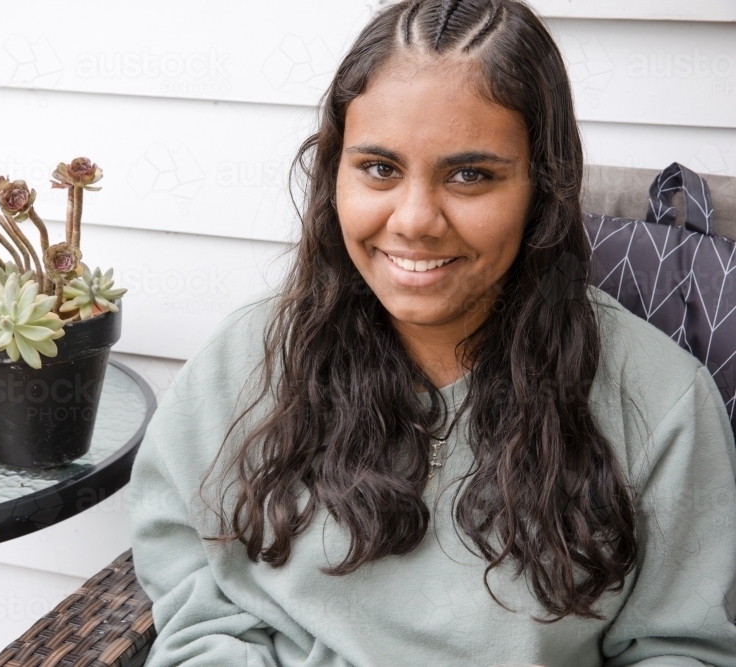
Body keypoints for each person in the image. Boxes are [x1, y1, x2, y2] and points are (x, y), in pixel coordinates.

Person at [127, 1, 736, 665]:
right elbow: (187, 570)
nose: (414, 220)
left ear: (544, 184)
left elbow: (680, 647)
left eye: (470, 175)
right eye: (379, 169)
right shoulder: (245, 362)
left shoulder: (659, 401)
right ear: (335, 172)